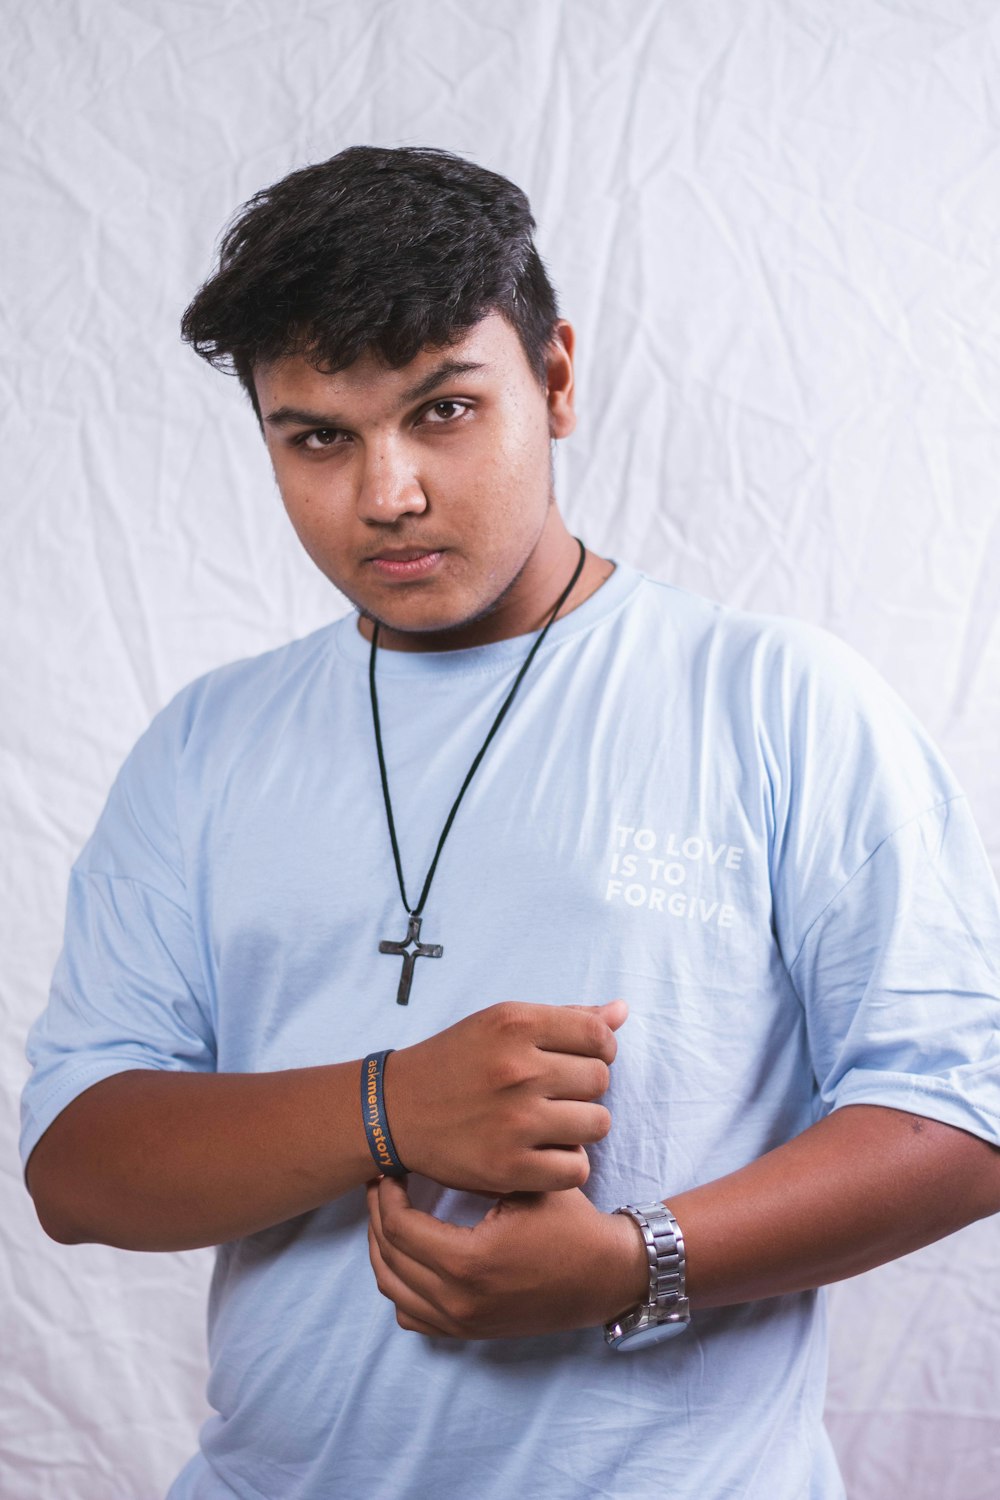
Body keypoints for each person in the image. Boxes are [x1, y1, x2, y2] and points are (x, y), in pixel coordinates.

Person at [20, 144, 1000, 1500]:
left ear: (555, 379)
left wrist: (634, 1263)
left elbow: (958, 1114)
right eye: (318, 436)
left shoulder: (775, 699)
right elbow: (77, 1166)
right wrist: (390, 1105)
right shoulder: (204, 745)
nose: (387, 493)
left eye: (442, 412)